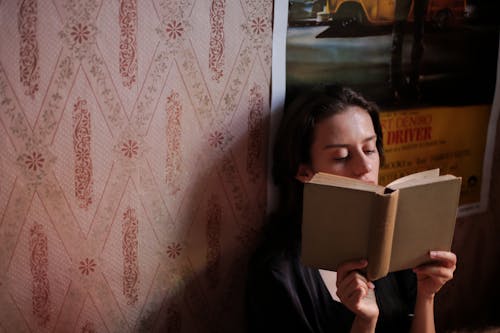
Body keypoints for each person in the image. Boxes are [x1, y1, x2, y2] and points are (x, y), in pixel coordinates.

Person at [245, 86, 456, 332]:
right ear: (305, 172)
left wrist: (426, 295)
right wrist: (364, 322)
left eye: (369, 149)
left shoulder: (397, 243)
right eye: (342, 156)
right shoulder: (279, 274)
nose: (365, 166)